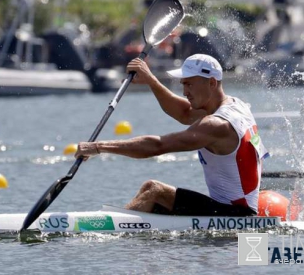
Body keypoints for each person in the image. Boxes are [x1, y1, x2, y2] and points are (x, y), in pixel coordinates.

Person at [75, 54, 268, 216]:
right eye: (183, 84)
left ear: (211, 82)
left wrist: (98, 147)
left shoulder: (216, 125)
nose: (185, 92)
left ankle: (105, 228)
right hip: (236, 208)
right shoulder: (236, 106)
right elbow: (184, 113)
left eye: (189, 85)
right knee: (152, 197)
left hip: (235, 214)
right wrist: (151, 80)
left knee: (154, 191)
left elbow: (158, 146)